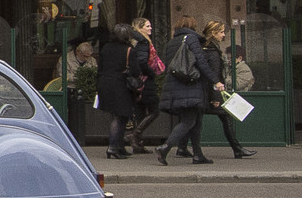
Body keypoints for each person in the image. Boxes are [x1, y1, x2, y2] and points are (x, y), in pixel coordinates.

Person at [156, 17, 219, 166]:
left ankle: (198, 155)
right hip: (191, 85)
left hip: (175, 86)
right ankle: (165, 147)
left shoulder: (171, 43)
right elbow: (201, 62)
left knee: (195, 121)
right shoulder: (191, 38)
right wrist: (215, 80)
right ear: (192, 26)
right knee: (189, 120)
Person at [196, 20, 256, 160]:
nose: (224, 35)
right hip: (208, 93)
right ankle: (237, 149)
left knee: (191, 121)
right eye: (221, 32)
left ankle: (179, 148)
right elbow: (215, 76)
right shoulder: (213, 52)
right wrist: (215, 98)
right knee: (195, 122)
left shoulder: (204, 48)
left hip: (202, 92)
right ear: (213, 33)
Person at [94, 23, 142, 159]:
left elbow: (100, 67)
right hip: (120, 85)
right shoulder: (129, 50)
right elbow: (135, 71)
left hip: (105, 83)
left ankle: (119, 146)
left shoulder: (106, 48)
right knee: (119, 116)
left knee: (119, 115)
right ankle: (113, 147)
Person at [128, 17, 164, 153]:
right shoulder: (143, 42)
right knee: (154, 110)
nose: (150, 29)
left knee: (140, 112)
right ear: (140, 27)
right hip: (145, 81)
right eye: (147, 26)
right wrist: (151, 74)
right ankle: (135, 135)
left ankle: (137, 145)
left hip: (137, 81)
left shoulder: (134, 40)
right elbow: (142, 62)